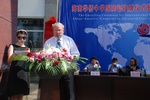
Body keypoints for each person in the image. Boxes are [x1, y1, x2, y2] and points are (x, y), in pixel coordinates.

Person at [44, 22, 80, 100]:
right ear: (53, 31)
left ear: (63, 30)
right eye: (56, 30)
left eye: (59, 30)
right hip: (53, 71)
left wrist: (69, 57)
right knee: (55, 93)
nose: (57, 32)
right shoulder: (48, 42)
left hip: (67, 69)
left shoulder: (69, 40)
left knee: (69, 91)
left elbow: (76, 54)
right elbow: (44, 55)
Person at [7, 29, 30, 100]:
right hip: (14, 71)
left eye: (24, 37)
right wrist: (13, 55)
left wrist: (31, 59)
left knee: (21, 93)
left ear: (26, 38)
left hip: (23, 72)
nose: (22, 39)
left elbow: (28, 60)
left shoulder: (27, 48)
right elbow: (9, 61)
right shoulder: (12, 46)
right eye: (20, 37)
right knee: (13, 94)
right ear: (17, 37)